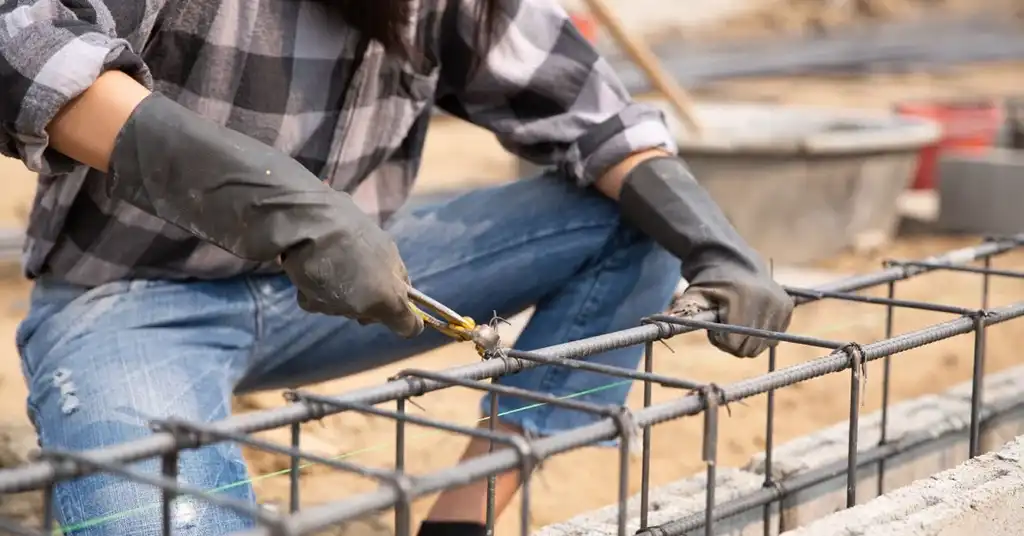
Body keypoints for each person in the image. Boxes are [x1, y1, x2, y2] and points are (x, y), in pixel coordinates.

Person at [0, 0, 794, 534]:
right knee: (146, 516)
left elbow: (594, 115)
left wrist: (711, 237)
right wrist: (274, 204)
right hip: (133, 299)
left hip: (351, 281)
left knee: (633, 223)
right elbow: (23, 41)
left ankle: (459, 521)